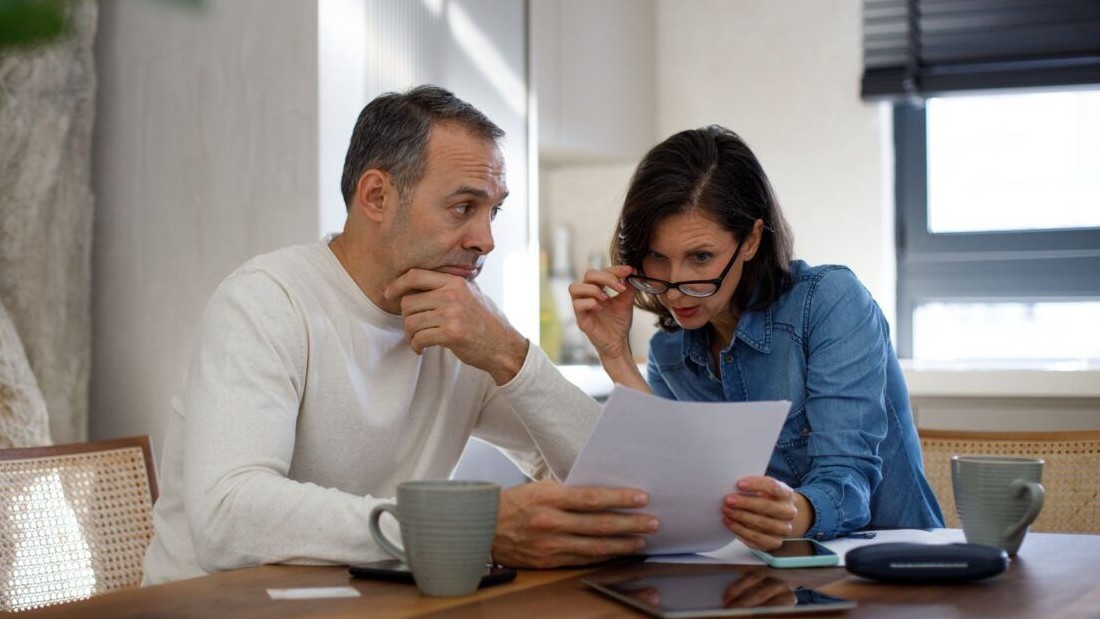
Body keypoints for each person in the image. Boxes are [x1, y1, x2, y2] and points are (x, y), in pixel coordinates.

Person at [143, 85, 657, 584]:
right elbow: (228, 517)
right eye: (463, 207)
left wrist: (510, 355)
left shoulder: (464, 323)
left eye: (493, 211)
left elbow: (619, 483)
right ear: (376, 196)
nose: (486, 240)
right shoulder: (267, 301)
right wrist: (464, 528)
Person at [569, 125, 944, 551]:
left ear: (750, 239)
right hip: (758, 575)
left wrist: (790, 512)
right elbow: (673, 488)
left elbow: (849, 482)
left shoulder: (829, 303)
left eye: (701, 257)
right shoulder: (669, 353)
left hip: (889, 565)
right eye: (657, 257)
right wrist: (615, 355)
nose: (674, 287)